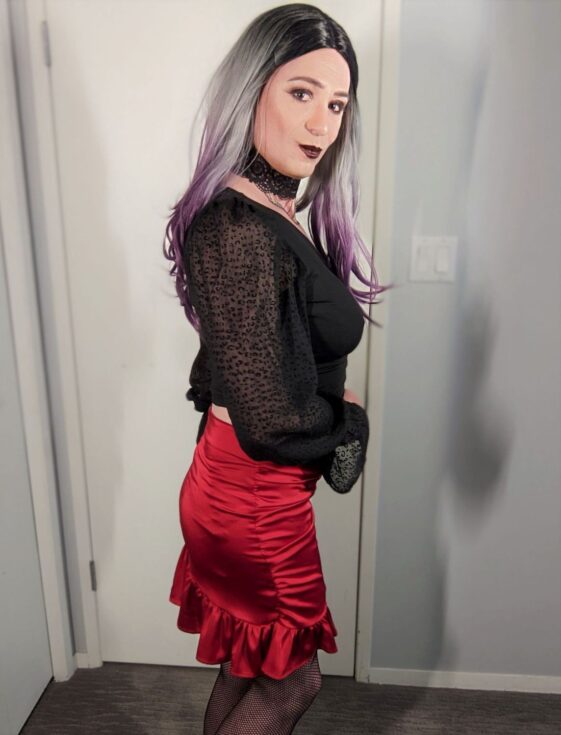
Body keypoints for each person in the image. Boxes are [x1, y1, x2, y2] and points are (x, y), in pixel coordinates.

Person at [163, 4, 391, 733]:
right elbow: (268, 419)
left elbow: (229, 364)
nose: (322, 125)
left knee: (248, 660)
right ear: (251, 88)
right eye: (301, 93)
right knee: (293, 682)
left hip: (241, 485)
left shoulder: (269, 209)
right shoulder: (237, 225)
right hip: (253, 498)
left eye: (337, 105)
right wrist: (347, 421)